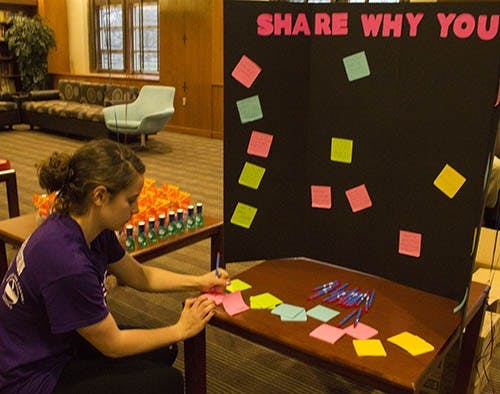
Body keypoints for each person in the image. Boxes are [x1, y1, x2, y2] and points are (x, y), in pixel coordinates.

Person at [0, 139, 230, 394]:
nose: (137, 208)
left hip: (57, 344)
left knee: (163, 351)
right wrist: (180, 329)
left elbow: (140, 276)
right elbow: (113, 344)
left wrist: (199, 281)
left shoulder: (89, 225)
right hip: (30, 378)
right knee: (168, 382)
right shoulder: (67, 262)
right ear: (99, 195)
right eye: (130, 200)